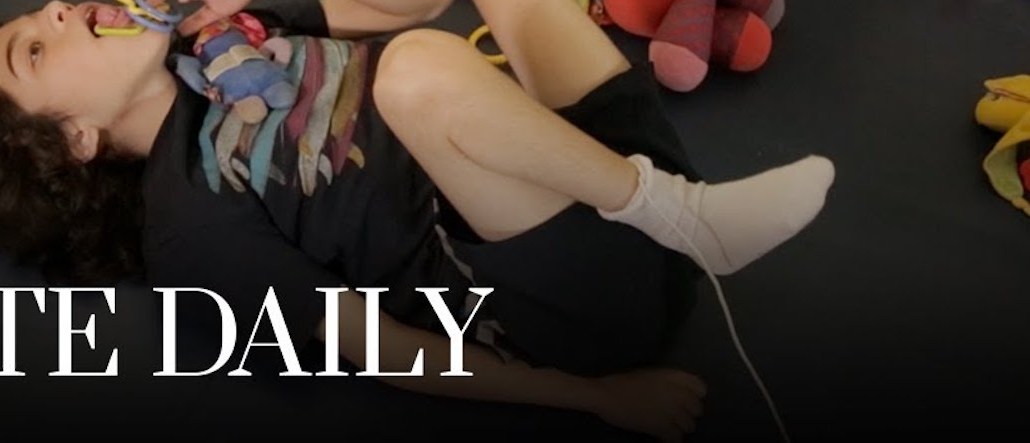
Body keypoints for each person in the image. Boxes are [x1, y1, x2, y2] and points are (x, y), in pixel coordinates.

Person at [0, 0, 834, 440]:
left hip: (603, 175)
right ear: (75, 140)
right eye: (33, 50)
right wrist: (597, 398)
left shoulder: (219, 35)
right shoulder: (190, 228)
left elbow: (413, 4)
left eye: (41, 13)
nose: (58, 12)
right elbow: (383, 349)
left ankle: (681, 210)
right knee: (414, 75)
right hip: (576, 304)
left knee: (427, 50)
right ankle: (690, 219)